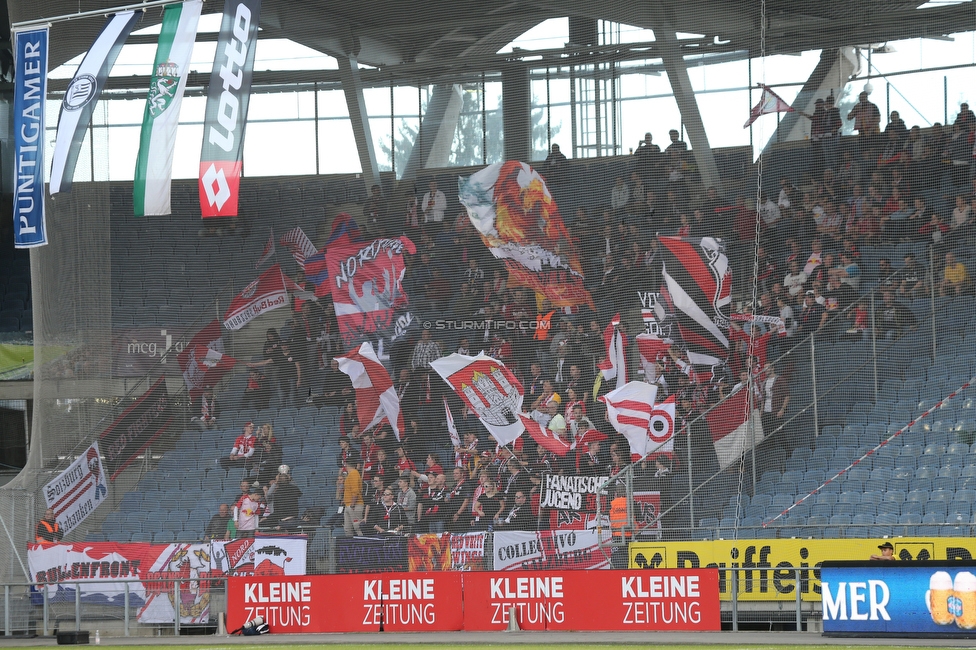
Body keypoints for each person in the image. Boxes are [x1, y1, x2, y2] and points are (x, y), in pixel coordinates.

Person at [339, 457, 364, 537]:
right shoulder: (350, 474)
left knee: (357, 527)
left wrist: (352, 504)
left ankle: (362, 545)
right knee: (347, 528)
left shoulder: (354, 474)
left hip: (355, 505)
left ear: (346, 464)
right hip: (348, 505)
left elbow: (355, 491)